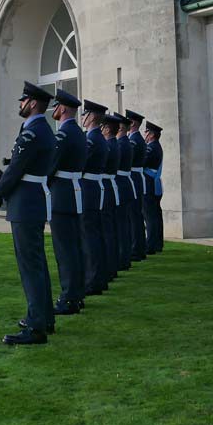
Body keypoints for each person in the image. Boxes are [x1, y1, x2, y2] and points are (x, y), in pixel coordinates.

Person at [0, 82, 57, 346]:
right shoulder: (43, 130)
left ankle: (37, 326)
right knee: (36, 263)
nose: (20, 105)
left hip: (25, 203)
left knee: (30, 266)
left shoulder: (33, 132)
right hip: (33, 200)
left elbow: (17, 167)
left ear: (31, 103)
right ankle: (43, 317)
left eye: (22, 101)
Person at [48, 89, 87, 315]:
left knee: (65, 250)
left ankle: (69, 298)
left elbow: (51, 165)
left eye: (56, 106)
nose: (54, 109)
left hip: (61, 195)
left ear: (62, 108)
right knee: (74, 247)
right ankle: (77, 294)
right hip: (73, 192)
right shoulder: (79, 133)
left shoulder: (63, 135)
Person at [80, 100, 110, 296]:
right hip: (93, 188)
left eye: (84, 114)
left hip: (88, 189)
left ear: (91, 117)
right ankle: (98, 277)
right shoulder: (97, 138)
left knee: (88, 235)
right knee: (94, 234)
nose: (82, 118)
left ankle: (93, 280)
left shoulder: (92, 139)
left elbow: (81, 163)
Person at [100, 113, 123, 279]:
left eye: (102, 127)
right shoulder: (114, 144)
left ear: (107, 129)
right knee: (110, 228)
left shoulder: (109, 145)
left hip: (105, 187)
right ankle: (112, 265)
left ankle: (109, 267)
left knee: (106, 230)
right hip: (109, 186)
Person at [126, 110, 148, 262]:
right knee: (136, 216)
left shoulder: (134, 141)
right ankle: (139, 248)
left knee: (134, 216)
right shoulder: (137, 139)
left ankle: (136, 249)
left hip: (133, 177)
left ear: (132, 123)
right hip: (136, 177)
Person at [114, 117, 135, 269]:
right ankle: (125, 257)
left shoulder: (121, 144)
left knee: (120, 225)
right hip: (124, 183)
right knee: (124, 224)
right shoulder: (125, 143)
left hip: (120, 184)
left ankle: (122, 258)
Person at [143, 121, 165, 254]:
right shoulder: (155, 146)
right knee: (155, 215)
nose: (144, 134)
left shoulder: (152, 148)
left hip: (149, 183)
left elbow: (142, 161)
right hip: (153, 183)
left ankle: (151, 244)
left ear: (151, 135)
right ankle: (157, 243)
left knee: (150, 216)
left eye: (146, 132)